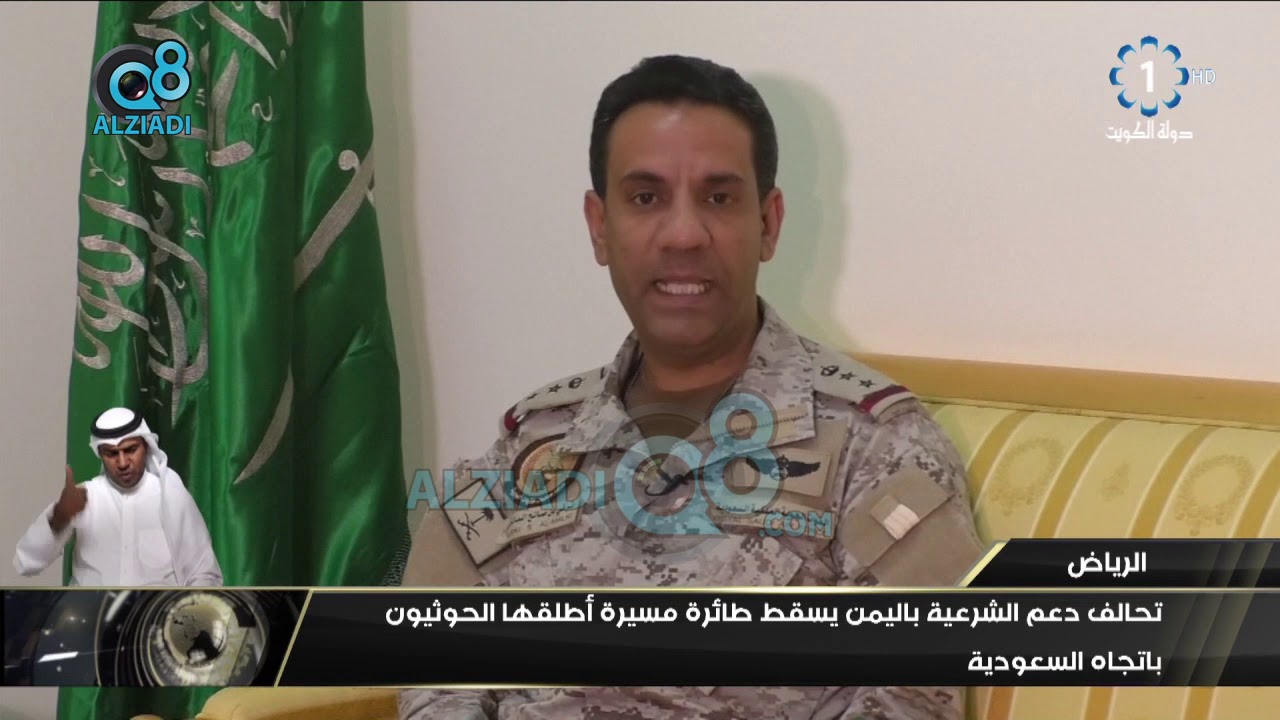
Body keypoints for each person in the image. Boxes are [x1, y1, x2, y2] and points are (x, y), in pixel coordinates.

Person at [398, 55, 984, 719]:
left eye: (718, 198)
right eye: (646, 198)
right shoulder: (533, 442)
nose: (683, 235)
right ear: (599, 226)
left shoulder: (876, 448)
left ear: (768, 223)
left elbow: (912, 696)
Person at [13, 407, 223, 587]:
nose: (122, 463)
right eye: (112, 453)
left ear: (146, 446)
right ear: (100, 454)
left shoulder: (170, 494)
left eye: (130, 450)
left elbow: (205, 575)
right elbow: (26, 563)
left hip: (154, 616)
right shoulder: (84, 497)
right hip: (92, 617)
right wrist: (59, 517)